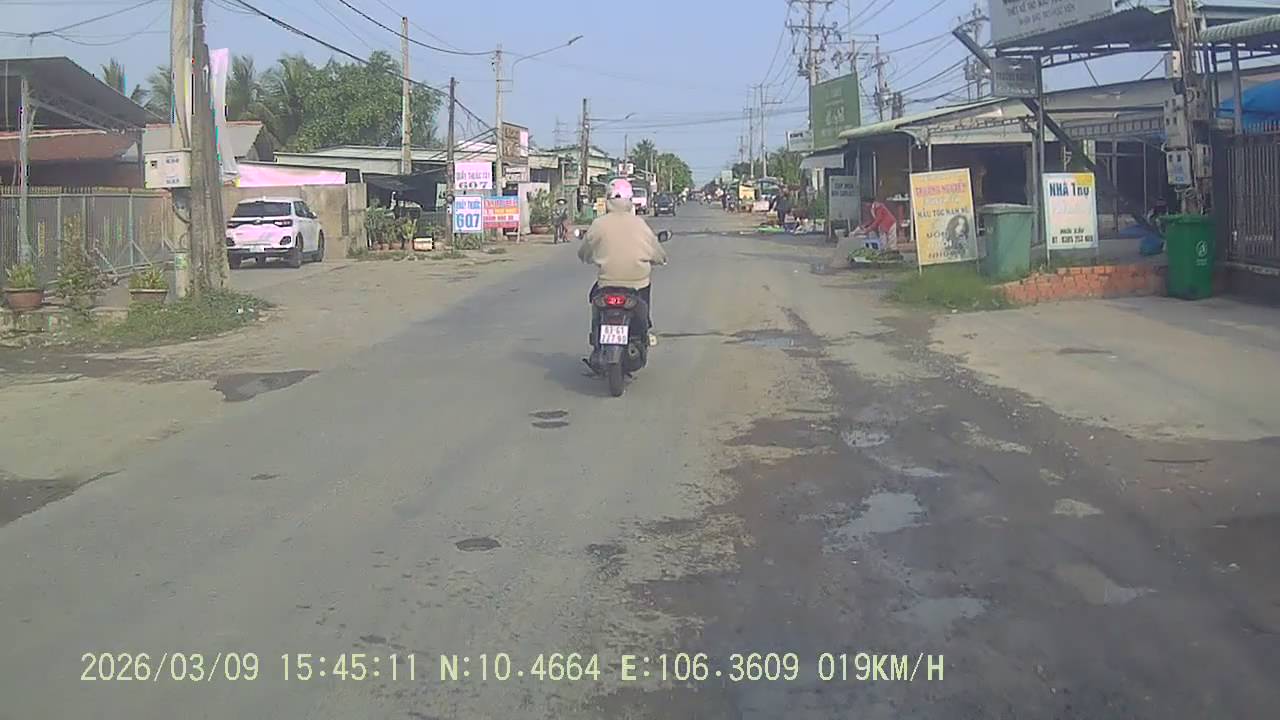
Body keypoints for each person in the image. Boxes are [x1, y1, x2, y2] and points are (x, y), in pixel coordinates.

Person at [578, 178, 667, 346]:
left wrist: (588, 258)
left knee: (594, 298)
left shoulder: (598, 224)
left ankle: (596, 336)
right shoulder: (640, 224)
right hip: (637, 283)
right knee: (644, 298)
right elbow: (656, 252)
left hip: (607, 283)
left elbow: (584, 252)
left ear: (608, 199)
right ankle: (645, 330)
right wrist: (660, 259)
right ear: (630, 200)